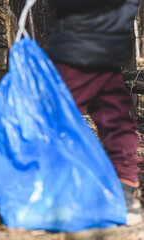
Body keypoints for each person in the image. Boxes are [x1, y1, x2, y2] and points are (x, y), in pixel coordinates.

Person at [45, 0, 142, 225]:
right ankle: (126, 188)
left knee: (59, 119)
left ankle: (62, 193)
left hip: (76, 42)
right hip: (111, 45)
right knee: (116, 116)